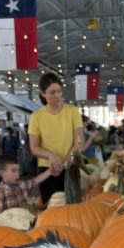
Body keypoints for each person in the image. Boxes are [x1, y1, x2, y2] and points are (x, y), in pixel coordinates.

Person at [28, 72, 84, 206]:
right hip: (48, 170)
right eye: (52, 92)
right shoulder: (36, 116)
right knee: (51, 209)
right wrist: (51, 155)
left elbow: (79, 142)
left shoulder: (72, 111)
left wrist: (65, 162)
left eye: (59, 91)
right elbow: (34, 148)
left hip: (70, 167)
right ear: (43, 94)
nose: (57, 95)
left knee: (72, 208)